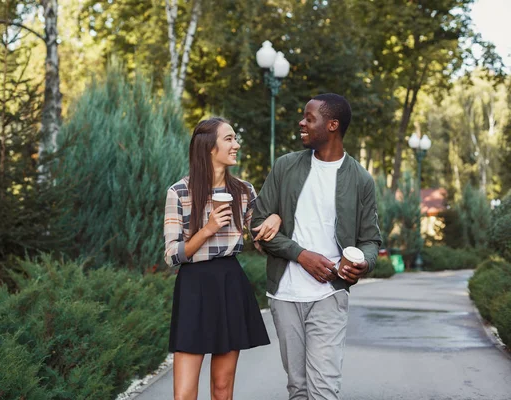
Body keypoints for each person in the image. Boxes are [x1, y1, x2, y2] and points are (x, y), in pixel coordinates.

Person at [251, 93, 382, 400]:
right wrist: (302, 255)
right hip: (285, 293)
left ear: (332, 125)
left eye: (310, 118)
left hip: (330, 293)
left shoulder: (361, 179)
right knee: (298, 388)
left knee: (323, 389)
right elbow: (258, 223)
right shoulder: (285, 167)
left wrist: (364, 263)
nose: (302, 123)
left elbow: (371, 240)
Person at [163, 117, 280, 400]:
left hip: (230, 284)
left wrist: (275, 219)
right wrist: (208, 230)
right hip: (194, 286)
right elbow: (171, 255)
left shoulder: (244, 191)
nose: (236, 145)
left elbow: (260, 240)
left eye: (234, 138)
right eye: (229, 139)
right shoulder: (179, 192)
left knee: (222, 389)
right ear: (209, 147)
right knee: (184, 394)